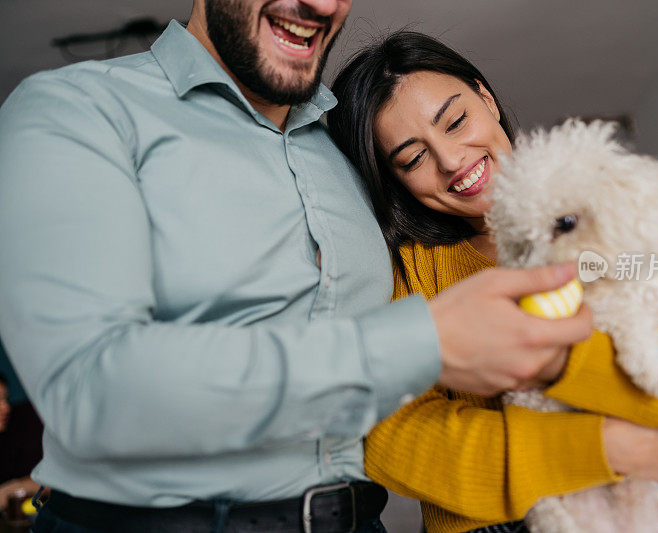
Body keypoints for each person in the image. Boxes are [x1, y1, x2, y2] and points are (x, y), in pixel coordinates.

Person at [0, 2, 607, 532]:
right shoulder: (78, 108)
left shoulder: (355, 150)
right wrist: (422, 341)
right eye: (419, 152)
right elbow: (89, 390)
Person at [327, 31, 658, 533]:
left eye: (456, 120)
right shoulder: (409, 270)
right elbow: (389, 438)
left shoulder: (628, 204)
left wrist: (569, 363)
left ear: (485, 96)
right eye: (412, 158)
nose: (450, 159)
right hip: (493, 523)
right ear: (393, 179)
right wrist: (599, 447)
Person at [0, 372, 43, 513]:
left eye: (5, 399)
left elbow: (56, 481)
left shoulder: (25, 424)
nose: (6, 407)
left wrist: (12, 489)